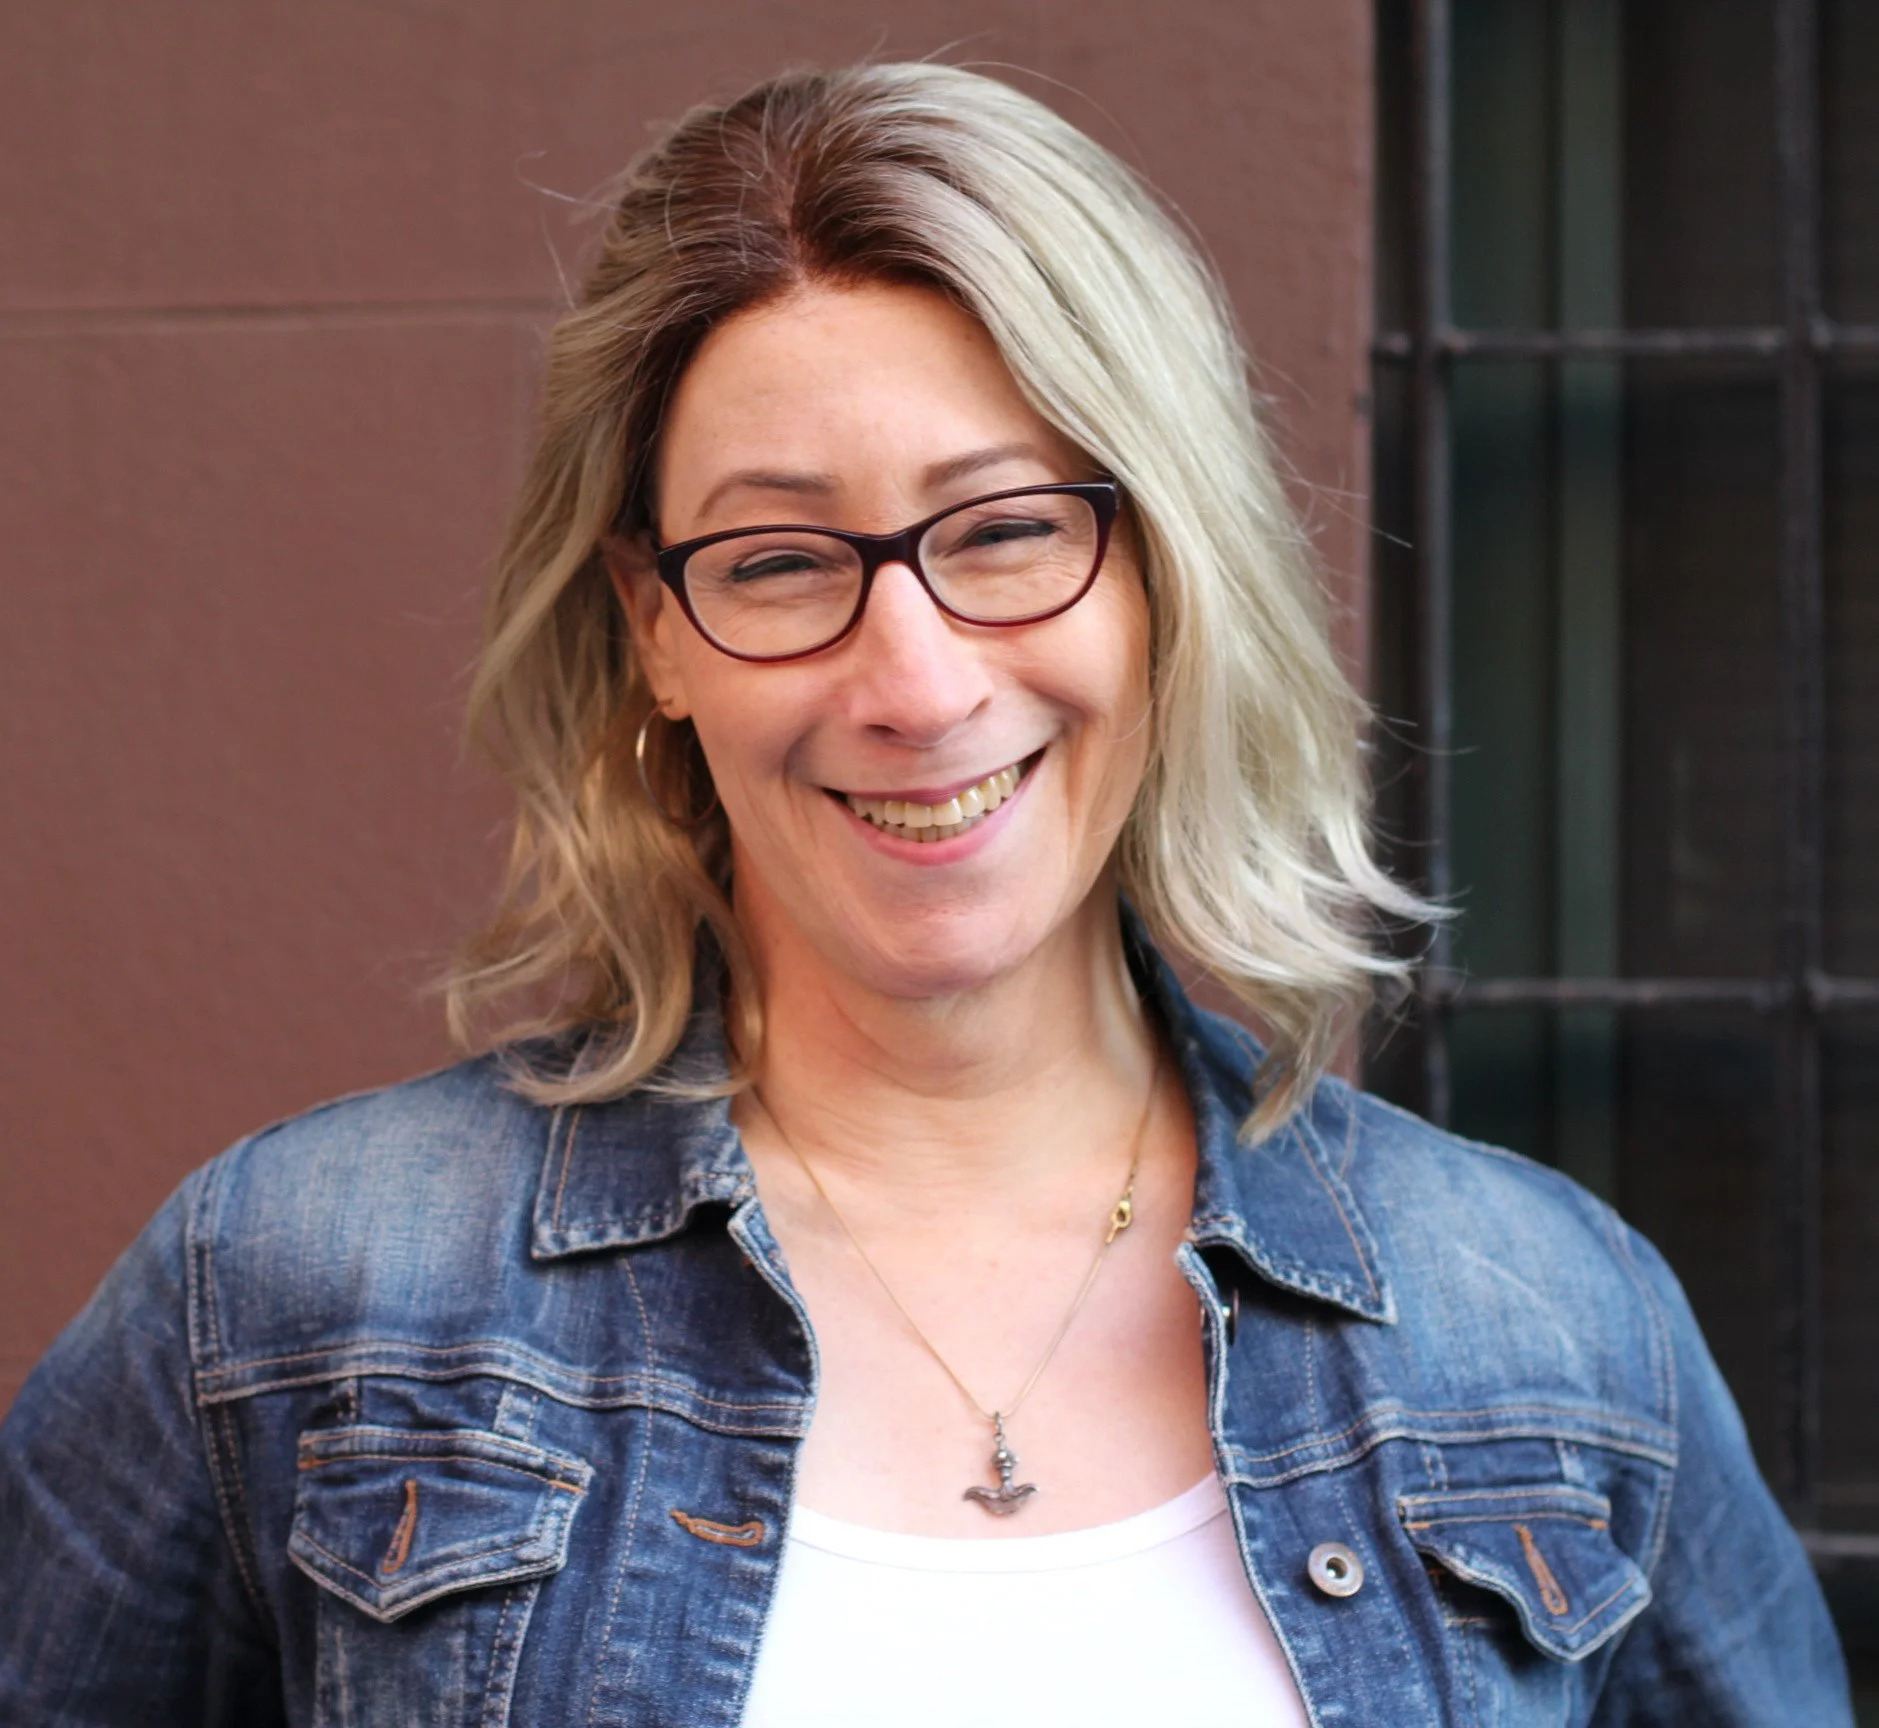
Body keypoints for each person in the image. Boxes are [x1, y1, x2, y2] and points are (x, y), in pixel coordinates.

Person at [0, 61, 1853, 1728]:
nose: (915, 681)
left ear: (1165, 579)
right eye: (785, 560)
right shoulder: (304, 1289)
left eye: (1009, 531)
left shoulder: (1540, 1326)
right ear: (657, 632)